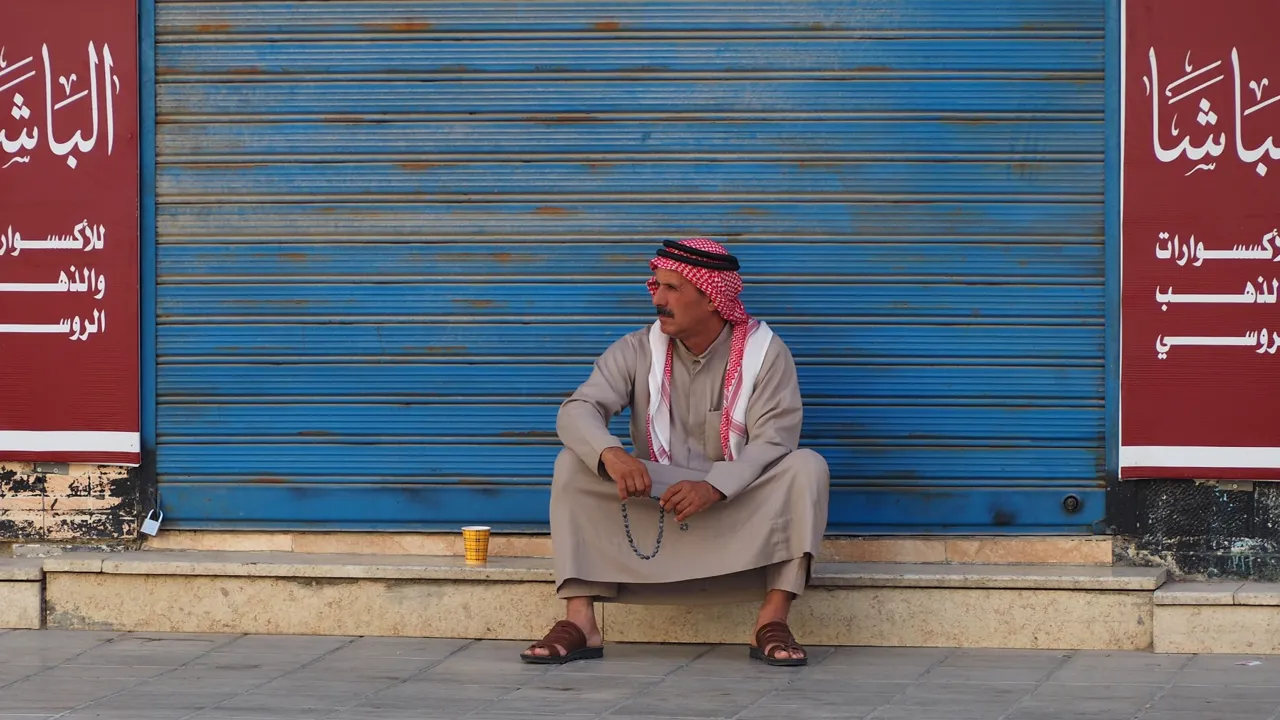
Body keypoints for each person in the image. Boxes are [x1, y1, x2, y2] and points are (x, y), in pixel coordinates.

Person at [520, 237, 830, 667]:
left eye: (672, 289)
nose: (657, 299)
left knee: (806, 467)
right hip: (661, 502)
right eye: (656, 286)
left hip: (734, 502)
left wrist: (715, 487)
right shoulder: (636, 349)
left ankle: (771, 619)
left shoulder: (765, 354)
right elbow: (578, 410)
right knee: (574, 463)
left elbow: (774, 440)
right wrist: (611, 453)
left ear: (711, 299)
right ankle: (581, 622)